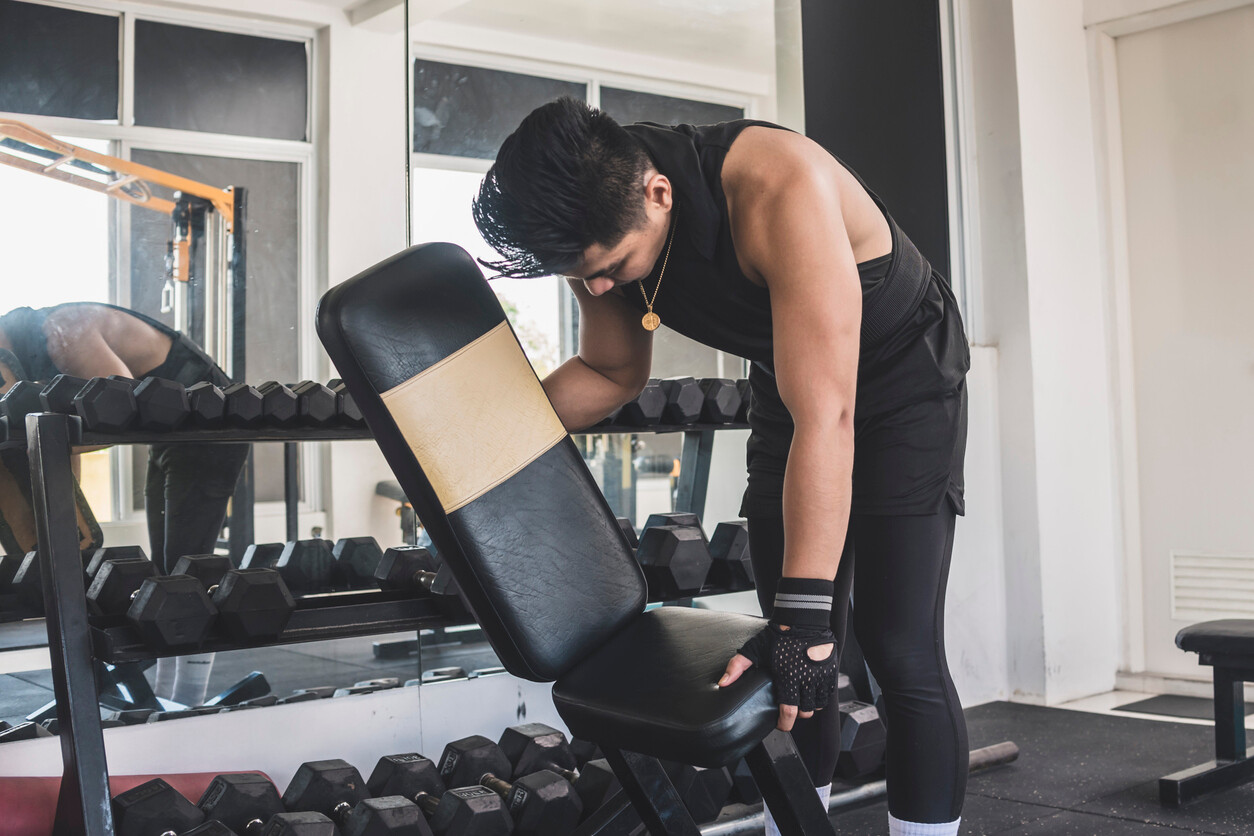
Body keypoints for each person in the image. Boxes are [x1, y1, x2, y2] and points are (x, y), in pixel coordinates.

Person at [471, 99, 970, 836]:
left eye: (611, 271)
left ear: (659, 194)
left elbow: (827, 419)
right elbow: (610, 371)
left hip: (903, 385)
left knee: (896, 647)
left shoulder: (779, 186)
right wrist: (480, 441)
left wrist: (807, 621)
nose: (600, 289)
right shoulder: (600, 213)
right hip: (791, 380)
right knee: (788, 661)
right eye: (585, 279)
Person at [0, 302, 249, 707]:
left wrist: (39, 438)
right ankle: (170, 700)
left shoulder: (65, 333)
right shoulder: (36, 359)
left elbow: (123, 412)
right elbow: (68, 443)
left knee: (188, 573)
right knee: (171, 578)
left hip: (212, 428)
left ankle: (188, 701)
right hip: (172, 438)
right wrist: (62, 527)